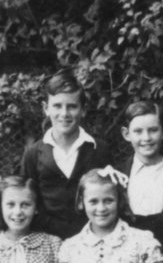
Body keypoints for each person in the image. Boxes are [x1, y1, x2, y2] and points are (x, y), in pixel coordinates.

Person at [16, 71, 111, 239]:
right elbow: (26, 199)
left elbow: (110, 197)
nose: (64, 113)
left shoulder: (100, 150)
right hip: (46, 241)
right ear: (46, 108)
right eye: (57, 106)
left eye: (72, 106)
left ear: (83, 110)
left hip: (92, 240)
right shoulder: (33, 154)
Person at [114, 100, 163, 253]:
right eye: (138, 131)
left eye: (153, 130)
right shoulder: (118, 174)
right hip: (128, 252)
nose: (146, 138)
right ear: (126, 134)